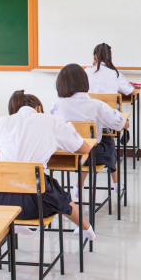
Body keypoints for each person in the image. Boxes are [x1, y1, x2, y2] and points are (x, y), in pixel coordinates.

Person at [0, 90, 95, 241]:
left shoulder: (0, 122)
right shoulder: (51, 121)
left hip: (0, 203)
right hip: (36, 205)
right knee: (60, 195)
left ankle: (17, 221)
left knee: (22, 175)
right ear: (37, 108)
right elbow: (84, 148)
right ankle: (87, 229)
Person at [51, 63, 129, 198]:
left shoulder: (57, 106)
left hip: (66, 155)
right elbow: (120, 124)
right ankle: (116, 183)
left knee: (83, 144)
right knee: (107, 141)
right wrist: (125, 123)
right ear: (84, 81)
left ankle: (78, 186)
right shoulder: (96, 105)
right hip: (93, 156)